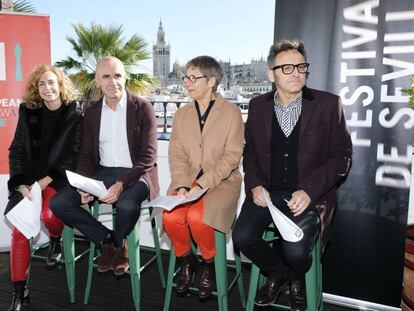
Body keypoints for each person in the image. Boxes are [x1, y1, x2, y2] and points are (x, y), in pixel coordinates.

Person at [232, 39, 352, 311]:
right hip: (268, 193)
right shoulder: (258, 105)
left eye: (301, 66)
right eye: (286, 68)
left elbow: (342, 156)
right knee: (241, 237)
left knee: (296, 251)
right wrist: (254, 186)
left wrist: (309, 190)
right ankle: (282, 274)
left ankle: (293, 274)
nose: (296, 72)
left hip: (311, 196)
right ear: (271, 74)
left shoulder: (328, 104)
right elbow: (249, 153)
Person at [51, 56, 159, 277]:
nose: (113, 82)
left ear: (125, 77)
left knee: (128, 205)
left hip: (137, 174)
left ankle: (119, 245)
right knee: (60, 203)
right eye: (106, 77)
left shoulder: (142, 108)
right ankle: (108, 240)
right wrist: (82, 184)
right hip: (103, 172)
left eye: (118, 75)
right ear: (98, 81)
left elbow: (148, 156)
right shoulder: (91, 113)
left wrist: (121, 183)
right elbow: (87, 154)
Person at [163, 56, 244, 298]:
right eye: (185, 77)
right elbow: (176, 153)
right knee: (170, 216)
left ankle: (208, 262)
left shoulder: (232, 113)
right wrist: (180, 184)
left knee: (199, 217)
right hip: (185, 182)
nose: (186, 82)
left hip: (221, 182)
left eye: (192, 77)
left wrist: (202, 184)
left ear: (211, 81)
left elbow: (231, 158)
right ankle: (187, 260)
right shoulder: (181, 114)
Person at [5, 65, 83, 311]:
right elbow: (17, 149)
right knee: (19, 232)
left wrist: (46, 180)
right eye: (41, 84)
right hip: (29, 181)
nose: (47, 88)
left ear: (60, 85)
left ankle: (56, 239)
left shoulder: (75, 114)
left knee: (50, 214)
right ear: (36, 89)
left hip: (57, 179)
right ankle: (20, 291)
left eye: (51, 82)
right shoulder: (28, 112)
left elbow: (74, 154)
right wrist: (19, 182)